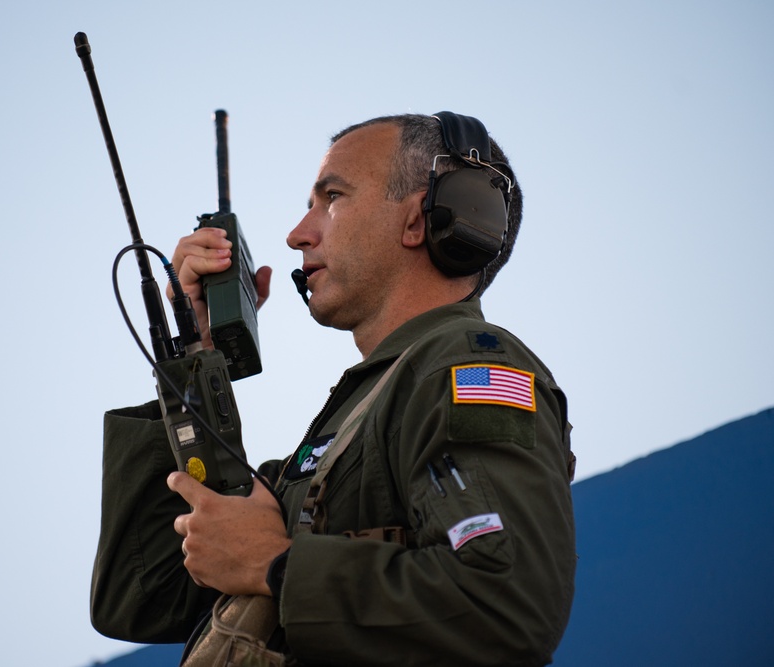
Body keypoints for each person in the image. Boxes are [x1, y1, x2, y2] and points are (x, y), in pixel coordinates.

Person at [90, 113, 576, 666]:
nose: (298, 233)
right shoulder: (355, 419)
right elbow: (144, 594)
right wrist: (195, 357)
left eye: (332, 197)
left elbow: (506, 605)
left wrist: (277, 566)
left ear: (421, 218)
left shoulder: (466, 368)